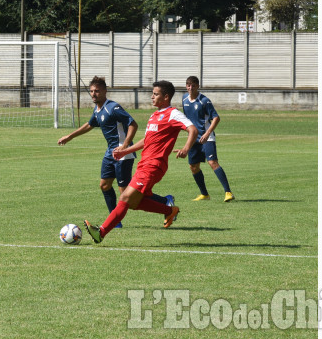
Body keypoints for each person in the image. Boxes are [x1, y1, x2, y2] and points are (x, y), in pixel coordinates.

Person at [84, 80, 198, 244]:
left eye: (156, 94)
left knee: (125, 198)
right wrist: (126, 150)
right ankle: (170, 210)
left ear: (166, 97)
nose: (152, 97)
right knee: (134, 203)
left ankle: (101, 232)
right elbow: (147, 140)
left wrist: (186, 148)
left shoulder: (173, 113)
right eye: (152, 93)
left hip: (154, 165)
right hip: (144, 164)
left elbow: (193, 129)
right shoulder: (154, 115)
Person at [58, 76, 172, 228]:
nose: (93, 94)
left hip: (123, 154)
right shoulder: (97, 109)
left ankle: (165, 201)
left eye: (97, 91)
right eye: (91, 91)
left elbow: (133, 124)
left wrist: (124, 146)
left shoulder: (113, 108)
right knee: (104, 185)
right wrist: (70, 136)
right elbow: (90, 124)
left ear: (105, 91)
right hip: (110, 153)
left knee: (127, 194)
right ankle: (116, 221)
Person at [181, 76, 235, 202]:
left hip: (207, 137)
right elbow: (186, 117)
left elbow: (216, 117)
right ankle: (204, 194)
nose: (190, 88)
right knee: (193, 166)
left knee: (212, 162)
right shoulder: (184, 99)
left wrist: (207, 133)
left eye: (193, 85)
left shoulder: (204, 101)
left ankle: (228, 192)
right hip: (194, 138)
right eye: (188, 85)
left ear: (198, 86)